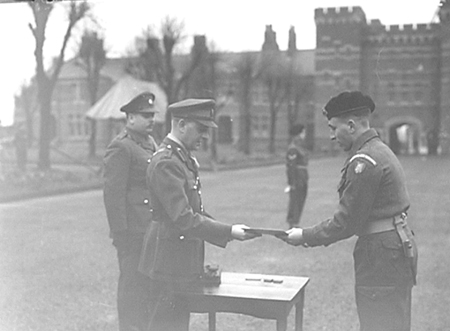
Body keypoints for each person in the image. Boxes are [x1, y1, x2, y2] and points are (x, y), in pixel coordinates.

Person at [278, 91, 418, 331]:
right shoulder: (379, 150)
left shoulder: (365, 161)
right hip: (394, 247)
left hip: (381, 254)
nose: (331, 136)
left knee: (379, 324)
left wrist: (304, 236)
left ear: (351, 125)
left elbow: (346, 222)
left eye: (333, 128)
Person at [138, 98, 259, 331]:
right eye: (201, 129)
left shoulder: (181, 159)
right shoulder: (167, 162)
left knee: (177, 325)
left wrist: (231, 229)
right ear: (182, 124)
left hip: (178, 259)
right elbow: (184, 217)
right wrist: (229, 231)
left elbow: (197, 212)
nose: (205, 136)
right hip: (167, 261)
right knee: (165, 326)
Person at [103, 92, 159, 331]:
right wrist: (121, 234)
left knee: (149, 287)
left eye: (152, 115)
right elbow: (113, 196)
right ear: (131, 118)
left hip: (151, 229)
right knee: (131, 290)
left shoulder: (151, 143)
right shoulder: (121, 146)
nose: (151, 120)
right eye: (146, 116)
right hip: (132, 233)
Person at [285, 123, 308, 228]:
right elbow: (291, 166)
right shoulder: (293, 148)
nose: (304, 135)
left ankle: (295, 222)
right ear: (299, 133)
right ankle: (292, 223)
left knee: (300, 199)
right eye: (303, 132)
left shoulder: (300, 146)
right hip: (297, 177)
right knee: (295, 200)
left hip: (303, 177)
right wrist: (292, 182)